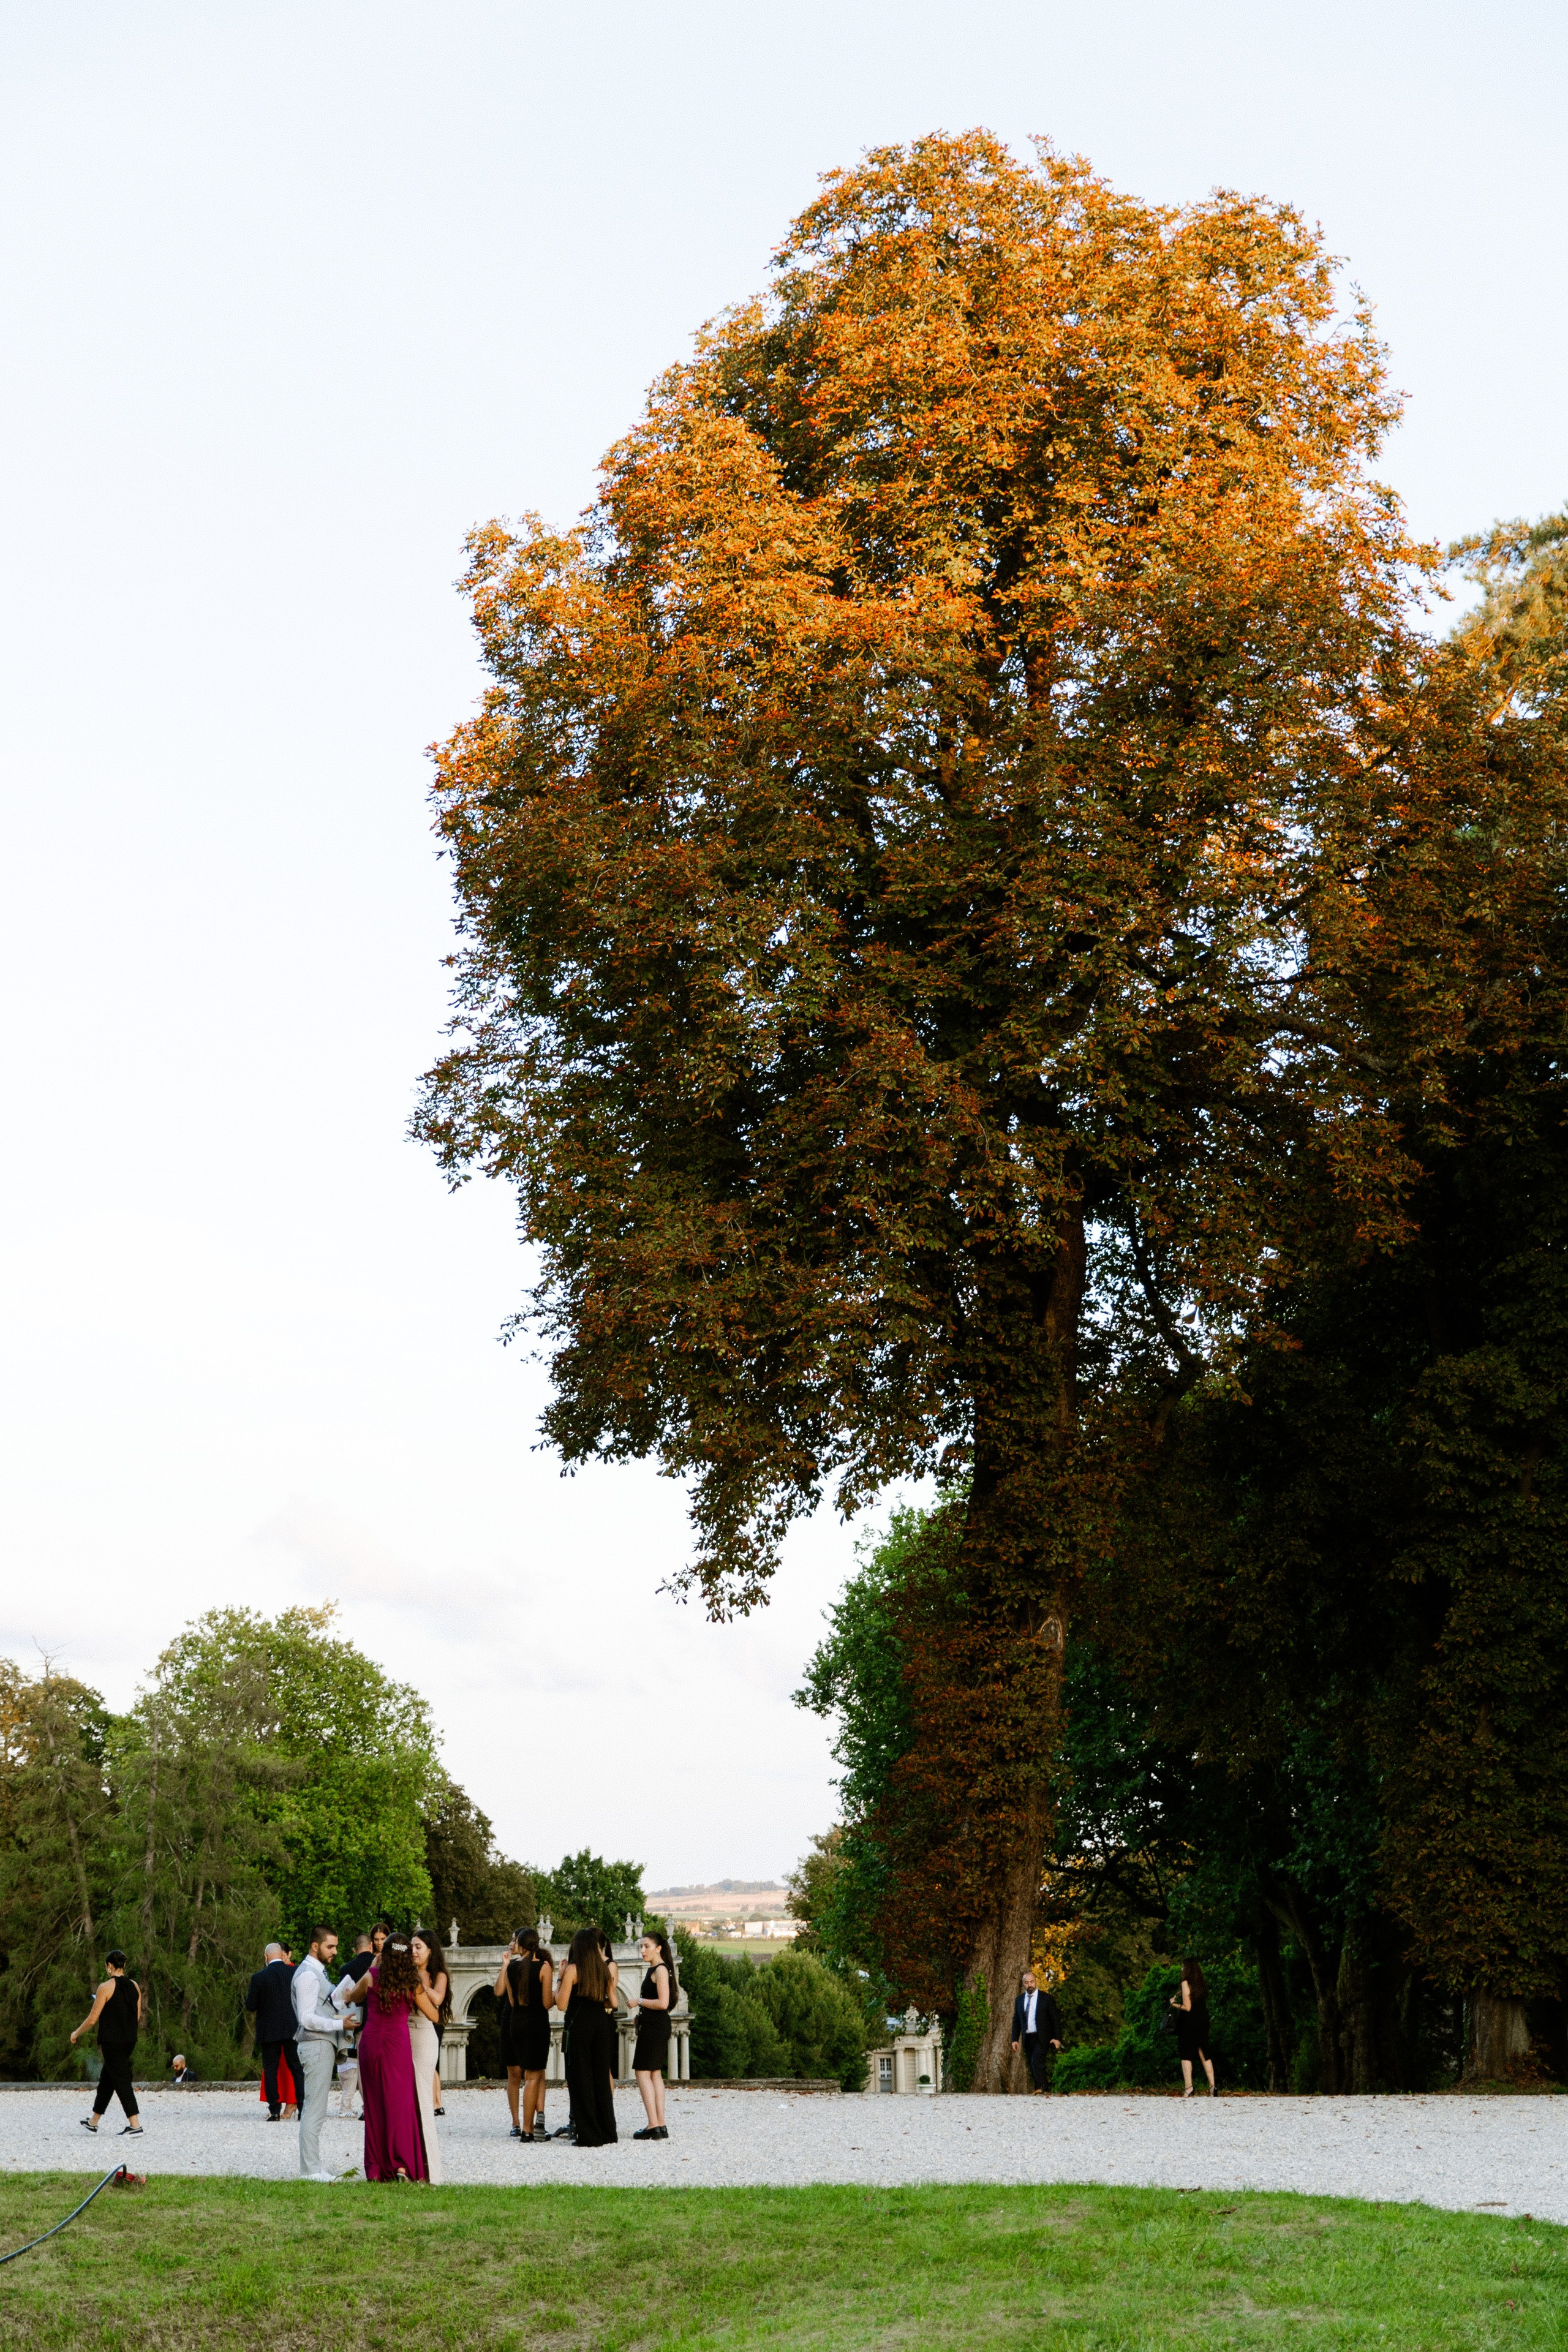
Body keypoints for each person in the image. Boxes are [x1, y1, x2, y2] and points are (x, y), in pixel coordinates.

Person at [341, 1934, 428, 2180]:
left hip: (371, 2043)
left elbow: (352, 1996)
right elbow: (433, 2014)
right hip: (397, 2045)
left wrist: (372, 1966)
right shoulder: (412, 1982)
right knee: (400, 2104)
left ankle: (377, 2168)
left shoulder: (371, 1977)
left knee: (374, 2105)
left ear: (384, 1954)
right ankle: (401, 2165)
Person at [556, 1926, 617, 2146]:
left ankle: (589, 2135)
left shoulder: (573, 1970)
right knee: (601, 2078)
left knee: (580, 2077)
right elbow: (614, 2002)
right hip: (600, 2023)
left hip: (578, 2025)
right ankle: (608, 2132)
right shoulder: (604, 1969)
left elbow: (561, 2004)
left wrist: (559, 1979)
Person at [70, 1950, 143, 2135]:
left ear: (109, 1966)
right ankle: (93, 2122)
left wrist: (76, 2033)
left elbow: (92, 2020)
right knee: (108, 2080)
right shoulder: (135, 1986)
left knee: (122, 2081)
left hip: (112, 2042)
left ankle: (136, 2126)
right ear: (123, 1965)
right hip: (129, 2041)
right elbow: (136, 2017)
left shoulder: (105, 1987)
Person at [292, 1924, 345, 2181]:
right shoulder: (308, 1976)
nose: (334, 1951)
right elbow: (306, 2019)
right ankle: (310, 2170)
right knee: (314, 2109)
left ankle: (314, 2167)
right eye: (330, 1946)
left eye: (336, 1946)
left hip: (321, 2045)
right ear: (315, 1946)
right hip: (316, 2045)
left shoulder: (316, 1973)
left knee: (317, 2108)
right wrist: (340, 2024)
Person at [495, 1928, 553, 2142]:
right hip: (536, 2024)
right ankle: (528, 2129)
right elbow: (546, 2003)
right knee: (533, 2077)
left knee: (523, 2076)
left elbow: (512, 2001)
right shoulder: (544, 1967)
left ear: (521, 1945)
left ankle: (522, 2126)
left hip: (516, 2023)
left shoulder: (512, 1967)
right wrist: (558, 1993)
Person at [626, 1928, 676, 2140]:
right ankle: (659, 2124)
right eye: (641, 1946)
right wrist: (642, 2015)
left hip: (655, 2027)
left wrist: (639, 2002)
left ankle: (654, 2124)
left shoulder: (660, 1970)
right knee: (654, 2073)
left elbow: (663, 2003)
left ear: (659, 1948)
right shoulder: (656, 1969)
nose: (643, 1950)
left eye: (647, 1946)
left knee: (643, 2073)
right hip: (653, 2024)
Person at [409, 1929, 450, 2184]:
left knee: (423, 2098)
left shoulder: (438, 1975)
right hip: (403, 2036)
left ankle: (430, 2168)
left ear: (430, 1950)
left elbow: (437, 1998)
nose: (414, 1951)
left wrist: (417, 1982)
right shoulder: (405, 1971)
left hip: (424, 2036)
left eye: (419, 1947)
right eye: (411, 1947)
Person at [246, 1941, 301, 2120]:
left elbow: (251, 2005)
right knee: (296, 2068)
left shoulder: (259, 1977)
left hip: (269, 2030)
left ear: (266, 1957)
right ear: (282, 1955)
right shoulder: (295, 1973)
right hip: (292, 2028)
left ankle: (275, 2109)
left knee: (271, 2069)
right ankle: (303, 2107)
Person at [333, 1934, 375, 2116]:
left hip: (357, 2021)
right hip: (377, 2020)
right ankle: (373, 2106)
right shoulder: (378, 1965)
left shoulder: (347, 1969)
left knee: (360, 2065)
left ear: (354, 1950)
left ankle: (364, 2106)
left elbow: (343, 1998)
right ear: (371, 1945)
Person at [1010, 1967, 1063, 2094]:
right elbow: (1016, 2021)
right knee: (1032, 2064)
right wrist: (1014, 2039)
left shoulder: (1046, 1999)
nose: (1030, 1985)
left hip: (1042, 2037)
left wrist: (1057, 2038)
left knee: (1036, 2061)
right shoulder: (1019, 2000)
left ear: (1036, 1981)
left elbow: (1055, 2019)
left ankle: (1042, 2088)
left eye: (1032, 1982)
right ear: (1023, 1984)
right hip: (1028, 2038)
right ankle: (1041, 2088)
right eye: (1027, 1983)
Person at [1170, 1956, 1216, 2097]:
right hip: (1203, 2019)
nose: (1182, 1969)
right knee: (1204, 2051)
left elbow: (1188, 2007)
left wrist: (1174, 2004)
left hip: (1189, 2022)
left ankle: (1189, 2087)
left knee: (1186, 2052)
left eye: (1183, 1967)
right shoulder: (1202, 1983)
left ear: (1188, 1969)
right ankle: (1213, 2087)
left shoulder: (1186, 1983)